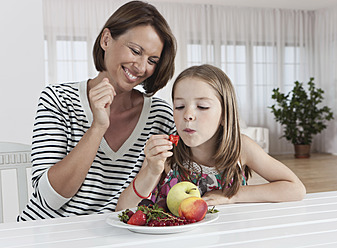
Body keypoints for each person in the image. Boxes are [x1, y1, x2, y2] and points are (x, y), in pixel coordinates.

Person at [18, 1, 177, 221]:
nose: (141, 67)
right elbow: (50, 200)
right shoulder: (58, 99)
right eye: (135, 51)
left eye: (152, 60)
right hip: (46, 234)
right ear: (106, 40)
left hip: (111, 236)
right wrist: (98, 127)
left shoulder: (161, 115)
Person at [116, 64, 306, 211]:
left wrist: (233, 196)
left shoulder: (241, 147)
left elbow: (295, 188)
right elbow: (122, 209)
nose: (187, 115)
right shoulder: (166, 153)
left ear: (224, 114)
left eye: (202, 107)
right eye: (180, 106)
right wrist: (151, 170)